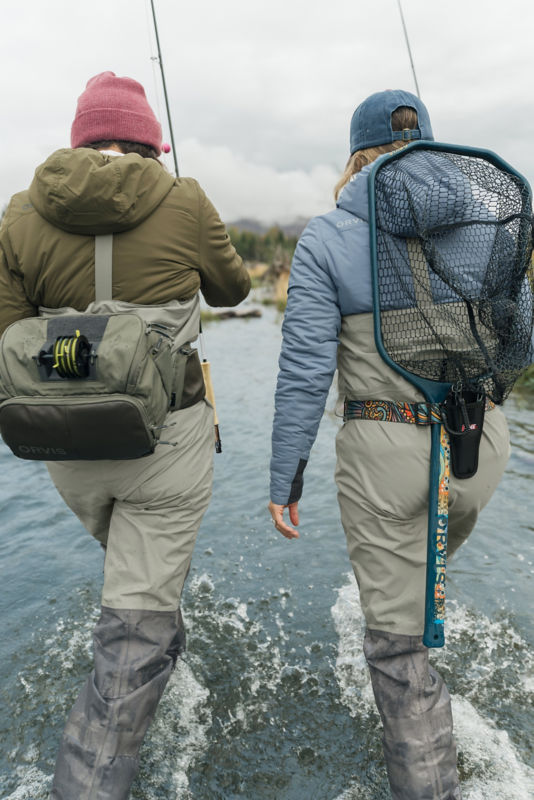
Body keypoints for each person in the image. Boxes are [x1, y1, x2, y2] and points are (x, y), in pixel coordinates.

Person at [0, 71, 250, 799]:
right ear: (150, 141)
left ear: (81, 138)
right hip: (166, 445)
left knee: (138, 592)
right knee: (130, 635)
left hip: (66, 450)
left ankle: (165, 653)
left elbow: (8, 331)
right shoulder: (186, 197)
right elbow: (232, 291)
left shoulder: (19, 214)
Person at [268, 90, 514, 799]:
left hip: (387, 453)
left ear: (356, 157)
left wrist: (286, 478)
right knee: (421, 583)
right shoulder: (481, 221)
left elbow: (305, 373)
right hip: (479, 447)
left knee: (397, 654)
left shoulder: (325, 235)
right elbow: (511, 334)